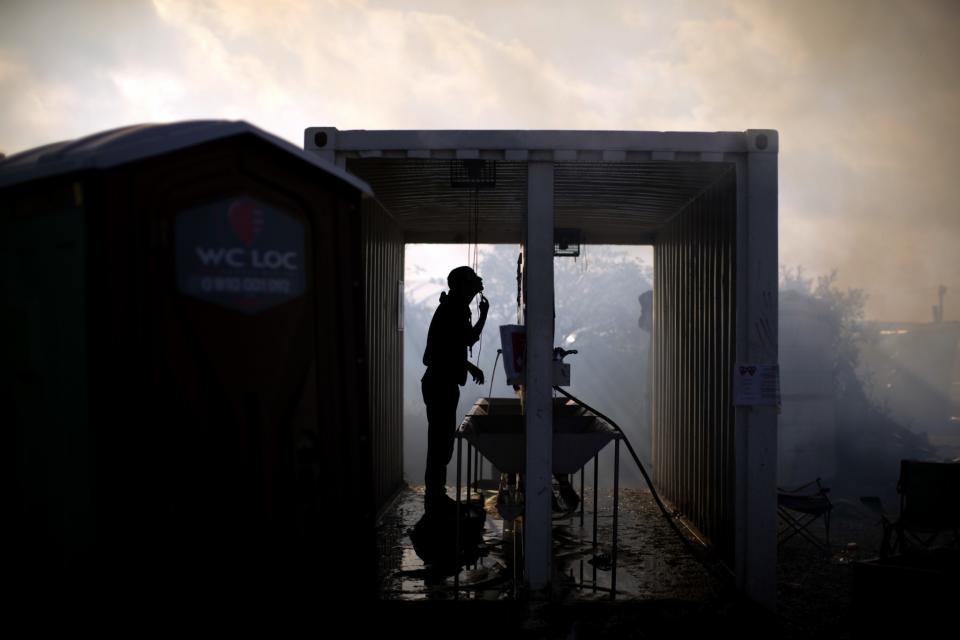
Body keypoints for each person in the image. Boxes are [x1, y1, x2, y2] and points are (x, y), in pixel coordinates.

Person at [421, 266, 488, 513]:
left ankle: (435, 496)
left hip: (438, 382)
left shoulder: (450, 307)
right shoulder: (455, 309)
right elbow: (467, 339)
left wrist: (469, 367)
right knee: (441, 442)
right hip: (441, 385)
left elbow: (449, 348)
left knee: (440, 441)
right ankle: (435, 498)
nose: (473, 290)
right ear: (461, 286)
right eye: (470, 285)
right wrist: (484, 316)